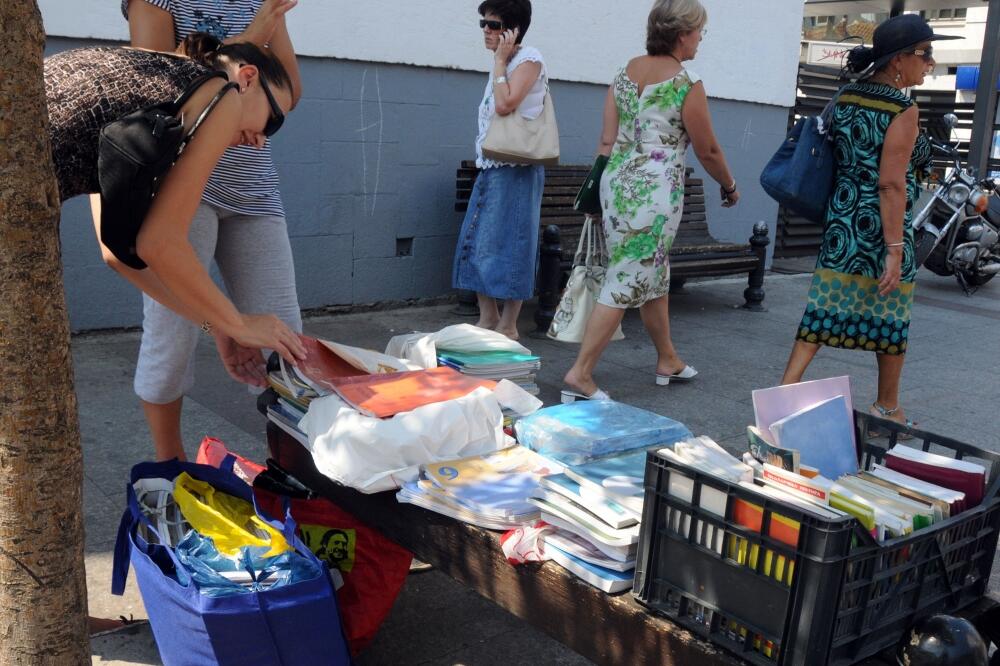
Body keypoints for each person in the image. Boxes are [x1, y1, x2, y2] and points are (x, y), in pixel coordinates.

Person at [46, 39, 307, 452]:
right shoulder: (218, 94)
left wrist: (216, 323)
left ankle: (170, 471)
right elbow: (159, 243)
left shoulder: (149, 103)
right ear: (248, 78)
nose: (261, 140)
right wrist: (238, 323)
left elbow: (120, 255)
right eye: (272, 121)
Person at [122, 0, 303, 461]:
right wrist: (250, 38)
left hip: (252, 188)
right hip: (183, 184)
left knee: (285, 340)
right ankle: (169, 467)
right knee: (171, 335)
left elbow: (288, 91)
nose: (269, 132)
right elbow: (151, 89)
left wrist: (227, 323)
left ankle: (292, 469)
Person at [779, 14, 952, 430]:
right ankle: (887, 407)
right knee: (891, 314)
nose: (930, 63)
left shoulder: (848, 96)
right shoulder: (902, 108)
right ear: (898, 61)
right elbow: (891, 184)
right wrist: (894, 249)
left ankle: (784, 394)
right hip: (882, 225)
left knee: (824, 306)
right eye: (925, 54)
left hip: (843, 219)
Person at [561, 0, 739, 402]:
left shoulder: (624, 73)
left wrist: (598, 189)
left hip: (617, 184)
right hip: (654, 192)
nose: (700, 40)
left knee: (652, 269)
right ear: (682, 34)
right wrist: (728, 184)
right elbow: (707, 149)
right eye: (699, 32)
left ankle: (668, 359)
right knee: (626, 275)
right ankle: (581, 374)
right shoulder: (686, 83)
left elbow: (607, 141)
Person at [452, 0, 546, 341]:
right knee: (477, 238)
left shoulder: (529, 59)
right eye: (483, 24)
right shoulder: (505, 64)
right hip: (491, 165)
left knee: (516, 243)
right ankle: (487, 316)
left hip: (517, 168)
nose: (486, 31)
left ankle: (508, 324)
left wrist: (500, 62)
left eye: (492, 25)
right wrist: (500, 63)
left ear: (512, 30)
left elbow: (507, 104)